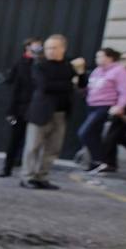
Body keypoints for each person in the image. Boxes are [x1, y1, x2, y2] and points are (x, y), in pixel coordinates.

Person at [21, 34, 85, 191]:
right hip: (40, 112)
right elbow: (45, 86)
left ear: (63, 48)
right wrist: (70, 84)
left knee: (52, 149)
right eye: (48, 47)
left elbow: (82, 85)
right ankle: (27, 177)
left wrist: (81, 72)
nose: (50, 51)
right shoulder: (39, 64)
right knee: (33, 147)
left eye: (54, 48)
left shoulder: (70, 65)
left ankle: (42, 177)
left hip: (61, 113)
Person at [79, 48, 126, 174]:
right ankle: (96, 163)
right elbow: (90, 87)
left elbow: (125, 91)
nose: (97, 59)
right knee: (94, 135)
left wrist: (120, 105)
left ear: (109, 58)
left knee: (84, 132)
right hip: (92, 105)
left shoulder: (119, 70)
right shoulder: (97, 71)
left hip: (105, 105)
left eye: (100, 56)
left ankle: (101, 160)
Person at [0, 38, 41, 178]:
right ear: (28, 47)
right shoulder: (20, 63)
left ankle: (30, 169)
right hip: (21, 107)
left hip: (38, 106)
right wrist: (11, 111)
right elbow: (15, 88)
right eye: (35, 44)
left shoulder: (42, 62)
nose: (38, 47)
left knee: (35, 141)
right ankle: (7, 167)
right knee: (15, 139)